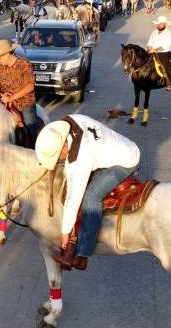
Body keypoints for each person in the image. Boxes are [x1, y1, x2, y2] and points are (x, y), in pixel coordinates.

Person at [35, 116, 140, 271]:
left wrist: (65, 232)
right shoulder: (69, 121)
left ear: (63, 147)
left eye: (57, 158)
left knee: (91, 197)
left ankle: (83, 254)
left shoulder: (80, 158)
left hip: (126, 161)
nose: (58, 162)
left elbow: (73, 198)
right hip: (120, 145)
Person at [0, 39, 39, 143]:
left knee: (31, 132)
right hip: (6, 104)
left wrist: (11, 97)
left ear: (7, 53)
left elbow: (30, 86)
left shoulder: (24, 63)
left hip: (25, 103)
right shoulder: (0, 67)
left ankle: (35, 151)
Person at [146, 15, 171, 85]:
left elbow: (166, 46)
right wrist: (148, 48)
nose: (159, 25)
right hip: (152, 51)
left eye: (161, 24)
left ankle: (169, 82)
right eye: (158, 24)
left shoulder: (169, 33)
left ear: (165, 24)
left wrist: (155, 50)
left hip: (164, 53)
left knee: (166, 66)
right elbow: (150, 42)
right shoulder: (154, 32)